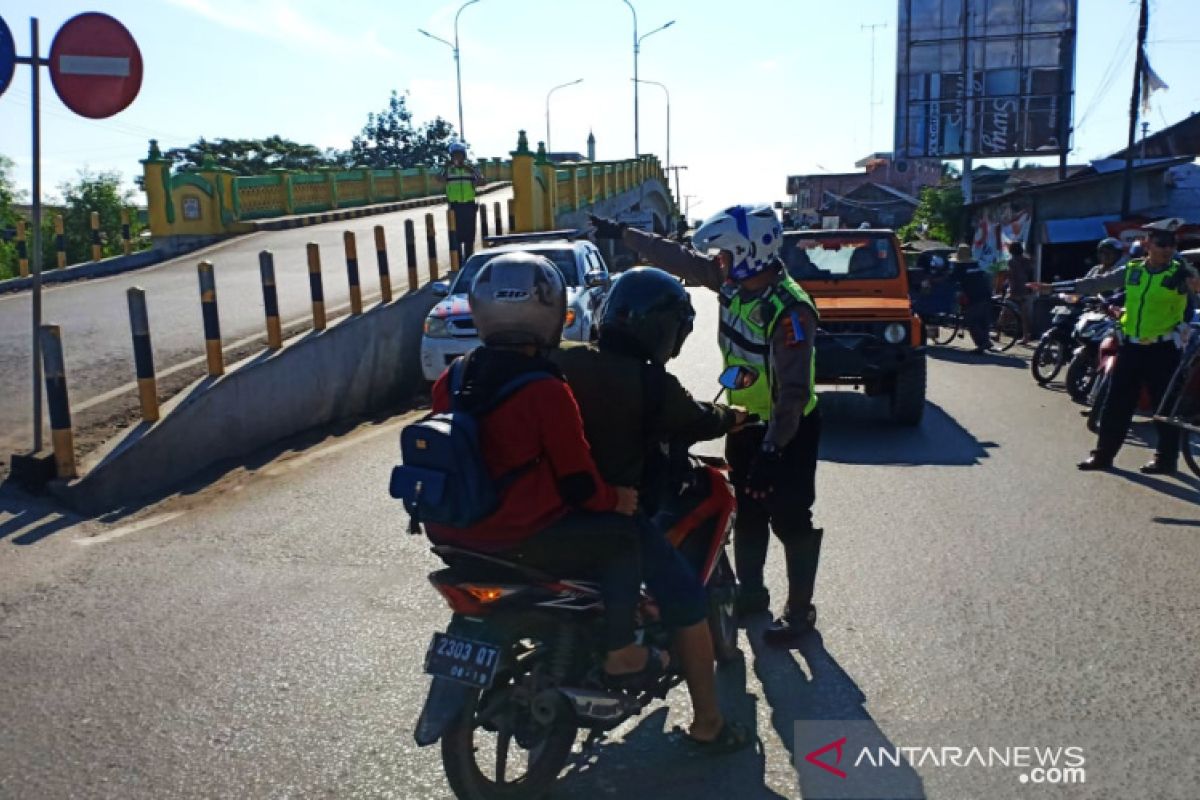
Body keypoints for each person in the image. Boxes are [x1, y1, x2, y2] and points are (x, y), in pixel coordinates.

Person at [425, 252, 667, 686]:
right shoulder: (545, 389)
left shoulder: (453, 378)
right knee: (623, 536)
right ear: (552, 314)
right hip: (521, 534)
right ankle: (621, 650)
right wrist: (617, 498)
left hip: (451, 532)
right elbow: (578, 482)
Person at [591, 205, 824, 646]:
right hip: (743, 423)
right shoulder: (734, 285)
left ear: (752, 252)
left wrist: (773, 450)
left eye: (725, 255)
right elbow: (679, 259)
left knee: (791, 518)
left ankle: (799, 611)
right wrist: (626, 234)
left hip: (787, 430)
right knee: (749, 511)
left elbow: (792, 394)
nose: (718, 263)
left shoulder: (790, 308)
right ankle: (751, 594)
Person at [551, 267, 751, 751]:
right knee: (686, 600)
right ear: (666, 332)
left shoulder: (566, 363)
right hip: (613, 515)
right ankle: (708, 724)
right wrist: (735, 416)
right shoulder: (653, 387)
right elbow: (702, 419)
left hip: (547, 511)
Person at [1032, 224, 1200, 474]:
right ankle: (1102, 456)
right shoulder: (1132, 271)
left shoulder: (1179, 274)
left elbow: (1196, 288)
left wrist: (1191, 279)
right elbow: (1095, 284)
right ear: (1147, 245)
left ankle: (1166, 459)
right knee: (1115, 404)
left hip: (1163, 349)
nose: (1167, 249)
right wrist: (1053, 288)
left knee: (1164, 408)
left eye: (1171, 245)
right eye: (1161, 244)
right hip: (1131, 347)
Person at [440, 142, 483, 262]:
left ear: (464, 156)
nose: (457, 158)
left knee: (470, 235)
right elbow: (439, 179)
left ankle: (469, 259)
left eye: (460, 155)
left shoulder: (471, 168)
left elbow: (482, 181)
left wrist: (471, 171)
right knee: (455, 235)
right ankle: (457, 261)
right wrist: (446, 167)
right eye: (455, 155)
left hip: (469, 206)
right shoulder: (448, 169)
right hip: (454, 206)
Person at [950, 243, 993, 354]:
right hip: (986, 293)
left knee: (971, 320)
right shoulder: (976, 264)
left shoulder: (960, 267)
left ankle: (983, 343)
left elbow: (951, 279)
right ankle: (986, 341)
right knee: (984, 320)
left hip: (975, 296)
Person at [1005, 241, 1035, 344]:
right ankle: (1025, 337)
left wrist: (1011, 292)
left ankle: (998, 333)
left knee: (1004, 309)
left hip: (1016, 290)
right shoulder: (1028, 261)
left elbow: (1012, 278)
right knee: (1024, 316)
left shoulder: (1011, 262)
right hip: (1027, 290)